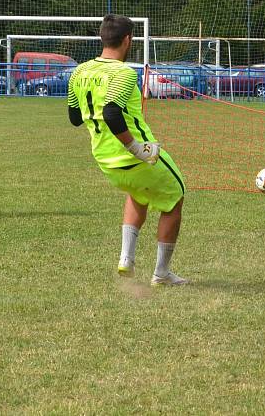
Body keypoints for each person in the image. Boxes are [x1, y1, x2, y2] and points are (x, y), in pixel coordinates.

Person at [68, 14, 188, 286]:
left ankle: (127, 259)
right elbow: (111, 112)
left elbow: (74, 118)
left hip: (104, 158)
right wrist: (136, 148)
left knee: (137, 192)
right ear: (127, 39)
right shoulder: (123, 72)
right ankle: (162, 274)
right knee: (176, 197)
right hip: (135, 155)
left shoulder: (80, 71)